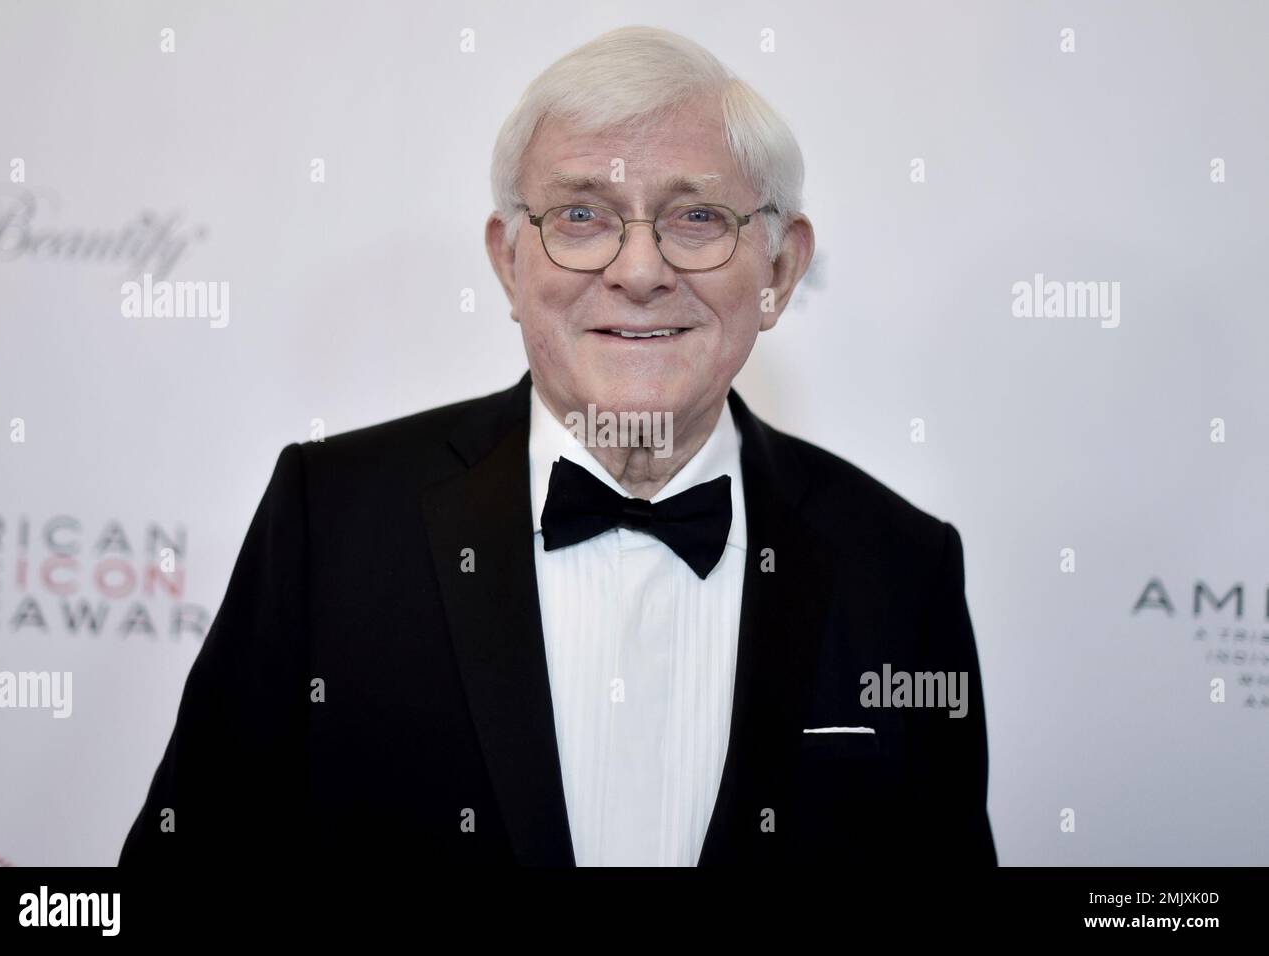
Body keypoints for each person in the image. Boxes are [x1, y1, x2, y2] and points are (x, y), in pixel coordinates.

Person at [120, 24, 997, 867]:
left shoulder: (900, 566)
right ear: (509, 262)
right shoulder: (333, 523)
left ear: (777, 270)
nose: (641, 271)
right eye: (582, 215)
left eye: (696, 217)